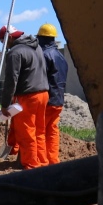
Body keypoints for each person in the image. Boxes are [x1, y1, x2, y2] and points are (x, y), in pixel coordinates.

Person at [0, 25, 49, 169]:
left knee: (26, 133)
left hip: (27, 97)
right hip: (43, 94)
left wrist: (5, 103)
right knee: (39, 131)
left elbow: (11, 80)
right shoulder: (36, 47)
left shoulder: (15, 53)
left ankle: (32, 167)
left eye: (3, 41)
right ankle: (42, 163)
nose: (4, 45)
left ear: (10, 38)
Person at [37, 23, 68, 165]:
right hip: (58, 100)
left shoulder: (43, 55)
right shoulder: (61, 57)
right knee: (53, 131)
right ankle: (53, 160)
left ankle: (43, 163)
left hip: (47, 100)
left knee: (40, 131)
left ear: (42, 38)